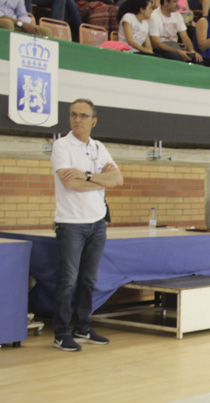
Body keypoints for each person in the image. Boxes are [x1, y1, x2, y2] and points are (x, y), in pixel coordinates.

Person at [50, 99, 123, 352]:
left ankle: (82, 326)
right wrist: (102, 181)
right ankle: (60, 332)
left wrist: (89, 175)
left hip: (97, 223)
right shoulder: (61, 145)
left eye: (83, 115)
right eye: (73, 115)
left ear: (94, 120)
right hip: (71, 223)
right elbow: (71, 183)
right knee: (68, 280)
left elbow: (118, 179)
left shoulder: (98, 147)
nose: (77, 119)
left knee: (88, 279)